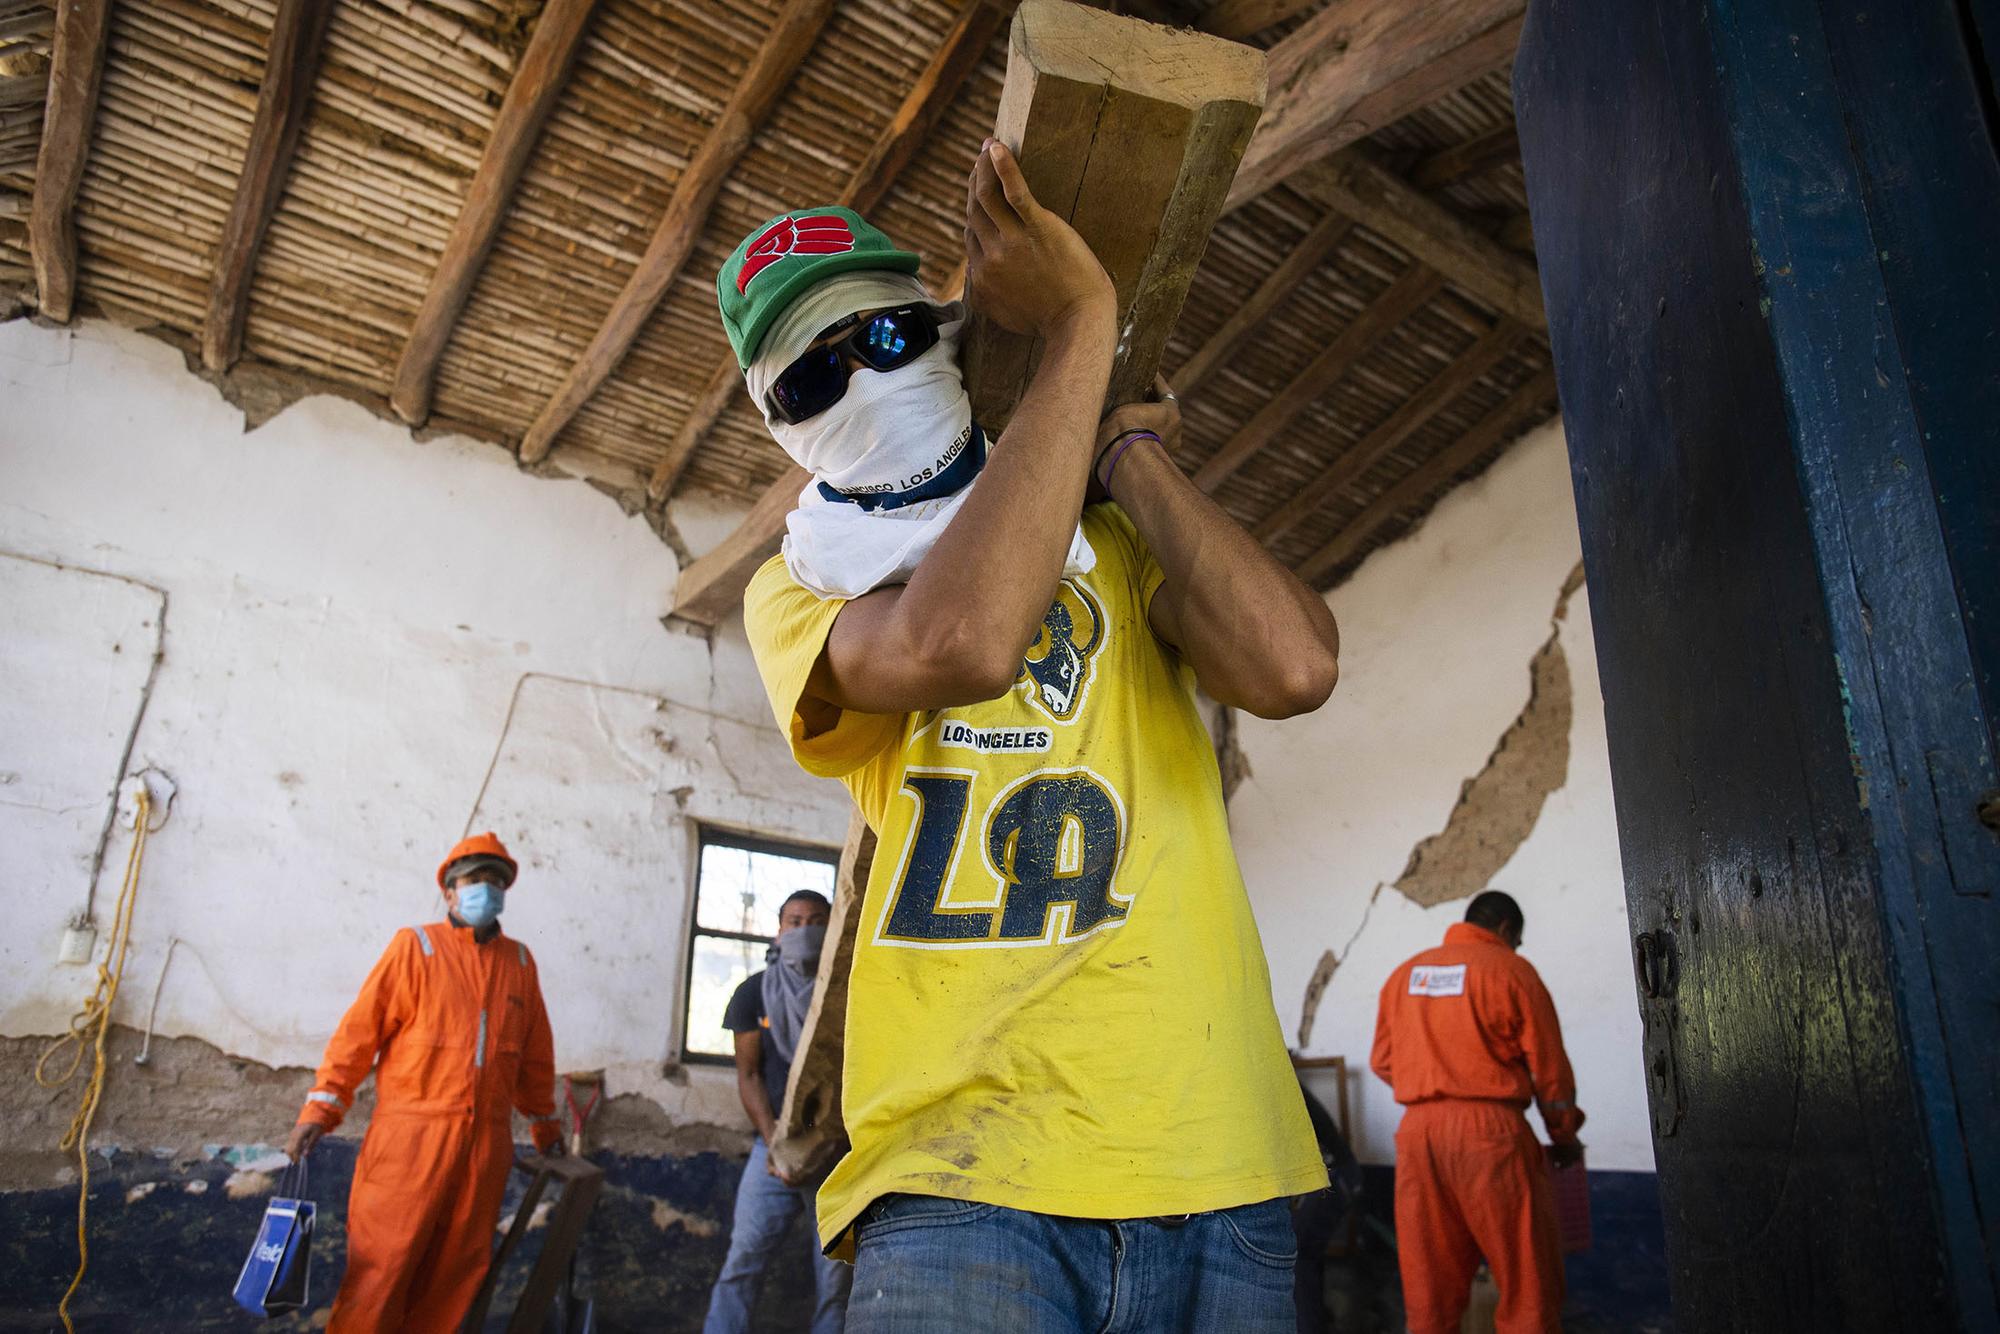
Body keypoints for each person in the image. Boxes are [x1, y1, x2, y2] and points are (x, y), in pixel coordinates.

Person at [727, 137, 1344, 1331]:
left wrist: (1131, 456)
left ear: (943, 330)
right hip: (963, 1177)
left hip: (1216, 1151)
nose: (863, 379)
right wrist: (1082, 327)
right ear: (779, 428)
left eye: (890, 335)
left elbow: (1295, 663)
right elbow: (959, 638)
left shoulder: (1111, 542)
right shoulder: (798, 589)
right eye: (810, 381)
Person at [283, 832, 563, 1333]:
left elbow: (535, 1061)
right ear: (450, 891)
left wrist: (545, 1127)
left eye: (497, 882)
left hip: (484, 1148)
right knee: (381, 1271)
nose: (487, 890)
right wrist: (319, 1111)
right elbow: (357, 1036)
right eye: (475, 880)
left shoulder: (519, 963)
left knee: (455, 1277)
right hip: (409, 1144)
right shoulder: (416, 947)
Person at [1369, 890, 1584, 1334]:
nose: (1517, 949)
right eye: (1517, 940)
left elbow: (1382, 1061)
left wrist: (1432, 1086)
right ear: (1505, 929)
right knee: (1527, 1285)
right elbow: (1550, 1070)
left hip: (1417, 1136)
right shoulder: (1512, 971)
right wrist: (1562, 1136)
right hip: (1492, 1135)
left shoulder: (1403, 976)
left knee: (1429, 1292)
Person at [702, 888, 849, 1333]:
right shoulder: (754, 994)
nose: (806, 931)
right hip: (770, 1153)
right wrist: (774, 1143)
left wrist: (830, 1143)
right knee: (743, 1260)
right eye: (795, 922)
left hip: (834, 1154)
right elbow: (748, 1076)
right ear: (779, 930)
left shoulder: (848, 993)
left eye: (817, 921)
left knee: (837, 1277)